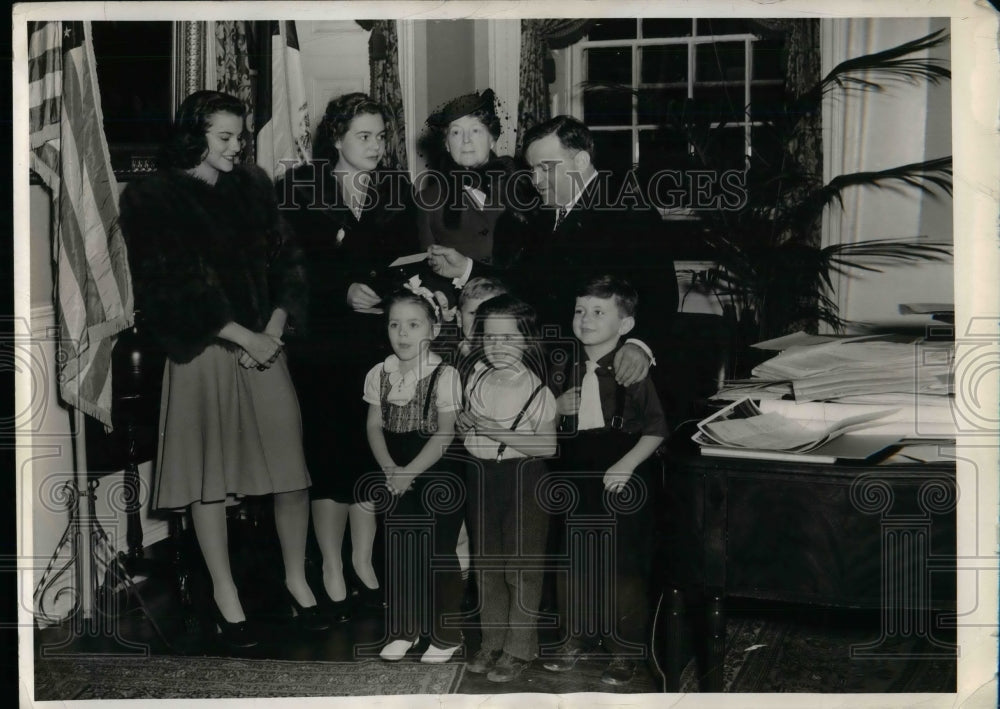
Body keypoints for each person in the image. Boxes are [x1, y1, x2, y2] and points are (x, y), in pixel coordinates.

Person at [119, 90, 327, 647]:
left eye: (241, 137)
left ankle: (295, 581)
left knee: (291, 471)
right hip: (203, 351)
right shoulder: (152, 197)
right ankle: (225, 594)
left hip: (266, 344)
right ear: (196, 135)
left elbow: (290, 264)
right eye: (225, 137)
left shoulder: (253, 186)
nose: (237, 147)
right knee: (208, 481)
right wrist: (240, 336)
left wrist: (274, 330)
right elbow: (169, 287)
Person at [277, 93, 419, 619]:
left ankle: (363, 562)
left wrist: (385, 287)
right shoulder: (299, 188)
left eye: (381, 136)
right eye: (364, 136)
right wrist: (342, 291)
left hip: (379, 346)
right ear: (335, 138)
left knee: (370, 452)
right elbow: (287, 271)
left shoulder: (396, 188)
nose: (376, 146)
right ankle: (331, 567)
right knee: (329, 456)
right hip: (322, 347)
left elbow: (408, 260)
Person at [427, 115, 679, 393]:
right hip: (555, 369)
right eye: (533, 169)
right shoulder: (542, 216)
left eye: (546, 169)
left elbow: (662, 292)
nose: (536, 180)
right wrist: (465, 269)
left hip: (612, 369)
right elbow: (524, 283)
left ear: (580, 162)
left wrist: (639, 344)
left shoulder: (629, 212)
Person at [541, 275, 667, 686]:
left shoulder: (632, 370)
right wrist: (555, 408)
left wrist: (627, 465)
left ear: (625, 326)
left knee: (622, 565)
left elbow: (656, 429)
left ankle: (624, 648)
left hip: (622, 473)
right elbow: (541, 419)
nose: (586, 319)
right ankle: (574, 637)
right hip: (577, 473)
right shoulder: (563, 366)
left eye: (599, 312)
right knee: (573, 558)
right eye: (580, 311)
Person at [363, 282, 465, 664]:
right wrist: (390, 467)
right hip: (395, 469)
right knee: (401, 551)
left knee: (438, 552)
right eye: (394, 325)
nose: (402, 334)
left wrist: (409, 472)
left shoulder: (446, 375)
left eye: (413, 325)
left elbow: (445, 432)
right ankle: (405, 630)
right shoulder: (380, 373)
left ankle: (445, 634)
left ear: (434, 330)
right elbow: (374, 426)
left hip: (438, 470)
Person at [459, 294, 558, 683]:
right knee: (487, 568)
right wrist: (468, 424)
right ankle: (492, 642)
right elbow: (471, 424)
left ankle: (519, 649)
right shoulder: (479, 375)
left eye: (507, 338)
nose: (497, 345)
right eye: (489, 337)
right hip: (482, 475)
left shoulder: (536, 389)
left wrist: (493, 429)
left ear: (527, 340)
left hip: (524, 478)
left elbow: (548, 446)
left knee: (521, 570)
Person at [416, 89, 536, 283]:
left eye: (475, 130)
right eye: (456, 132)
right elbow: (429, 271)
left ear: (492, 138)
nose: (466, 140)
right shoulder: (427, 200)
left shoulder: (525, 185)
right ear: (446, 144)